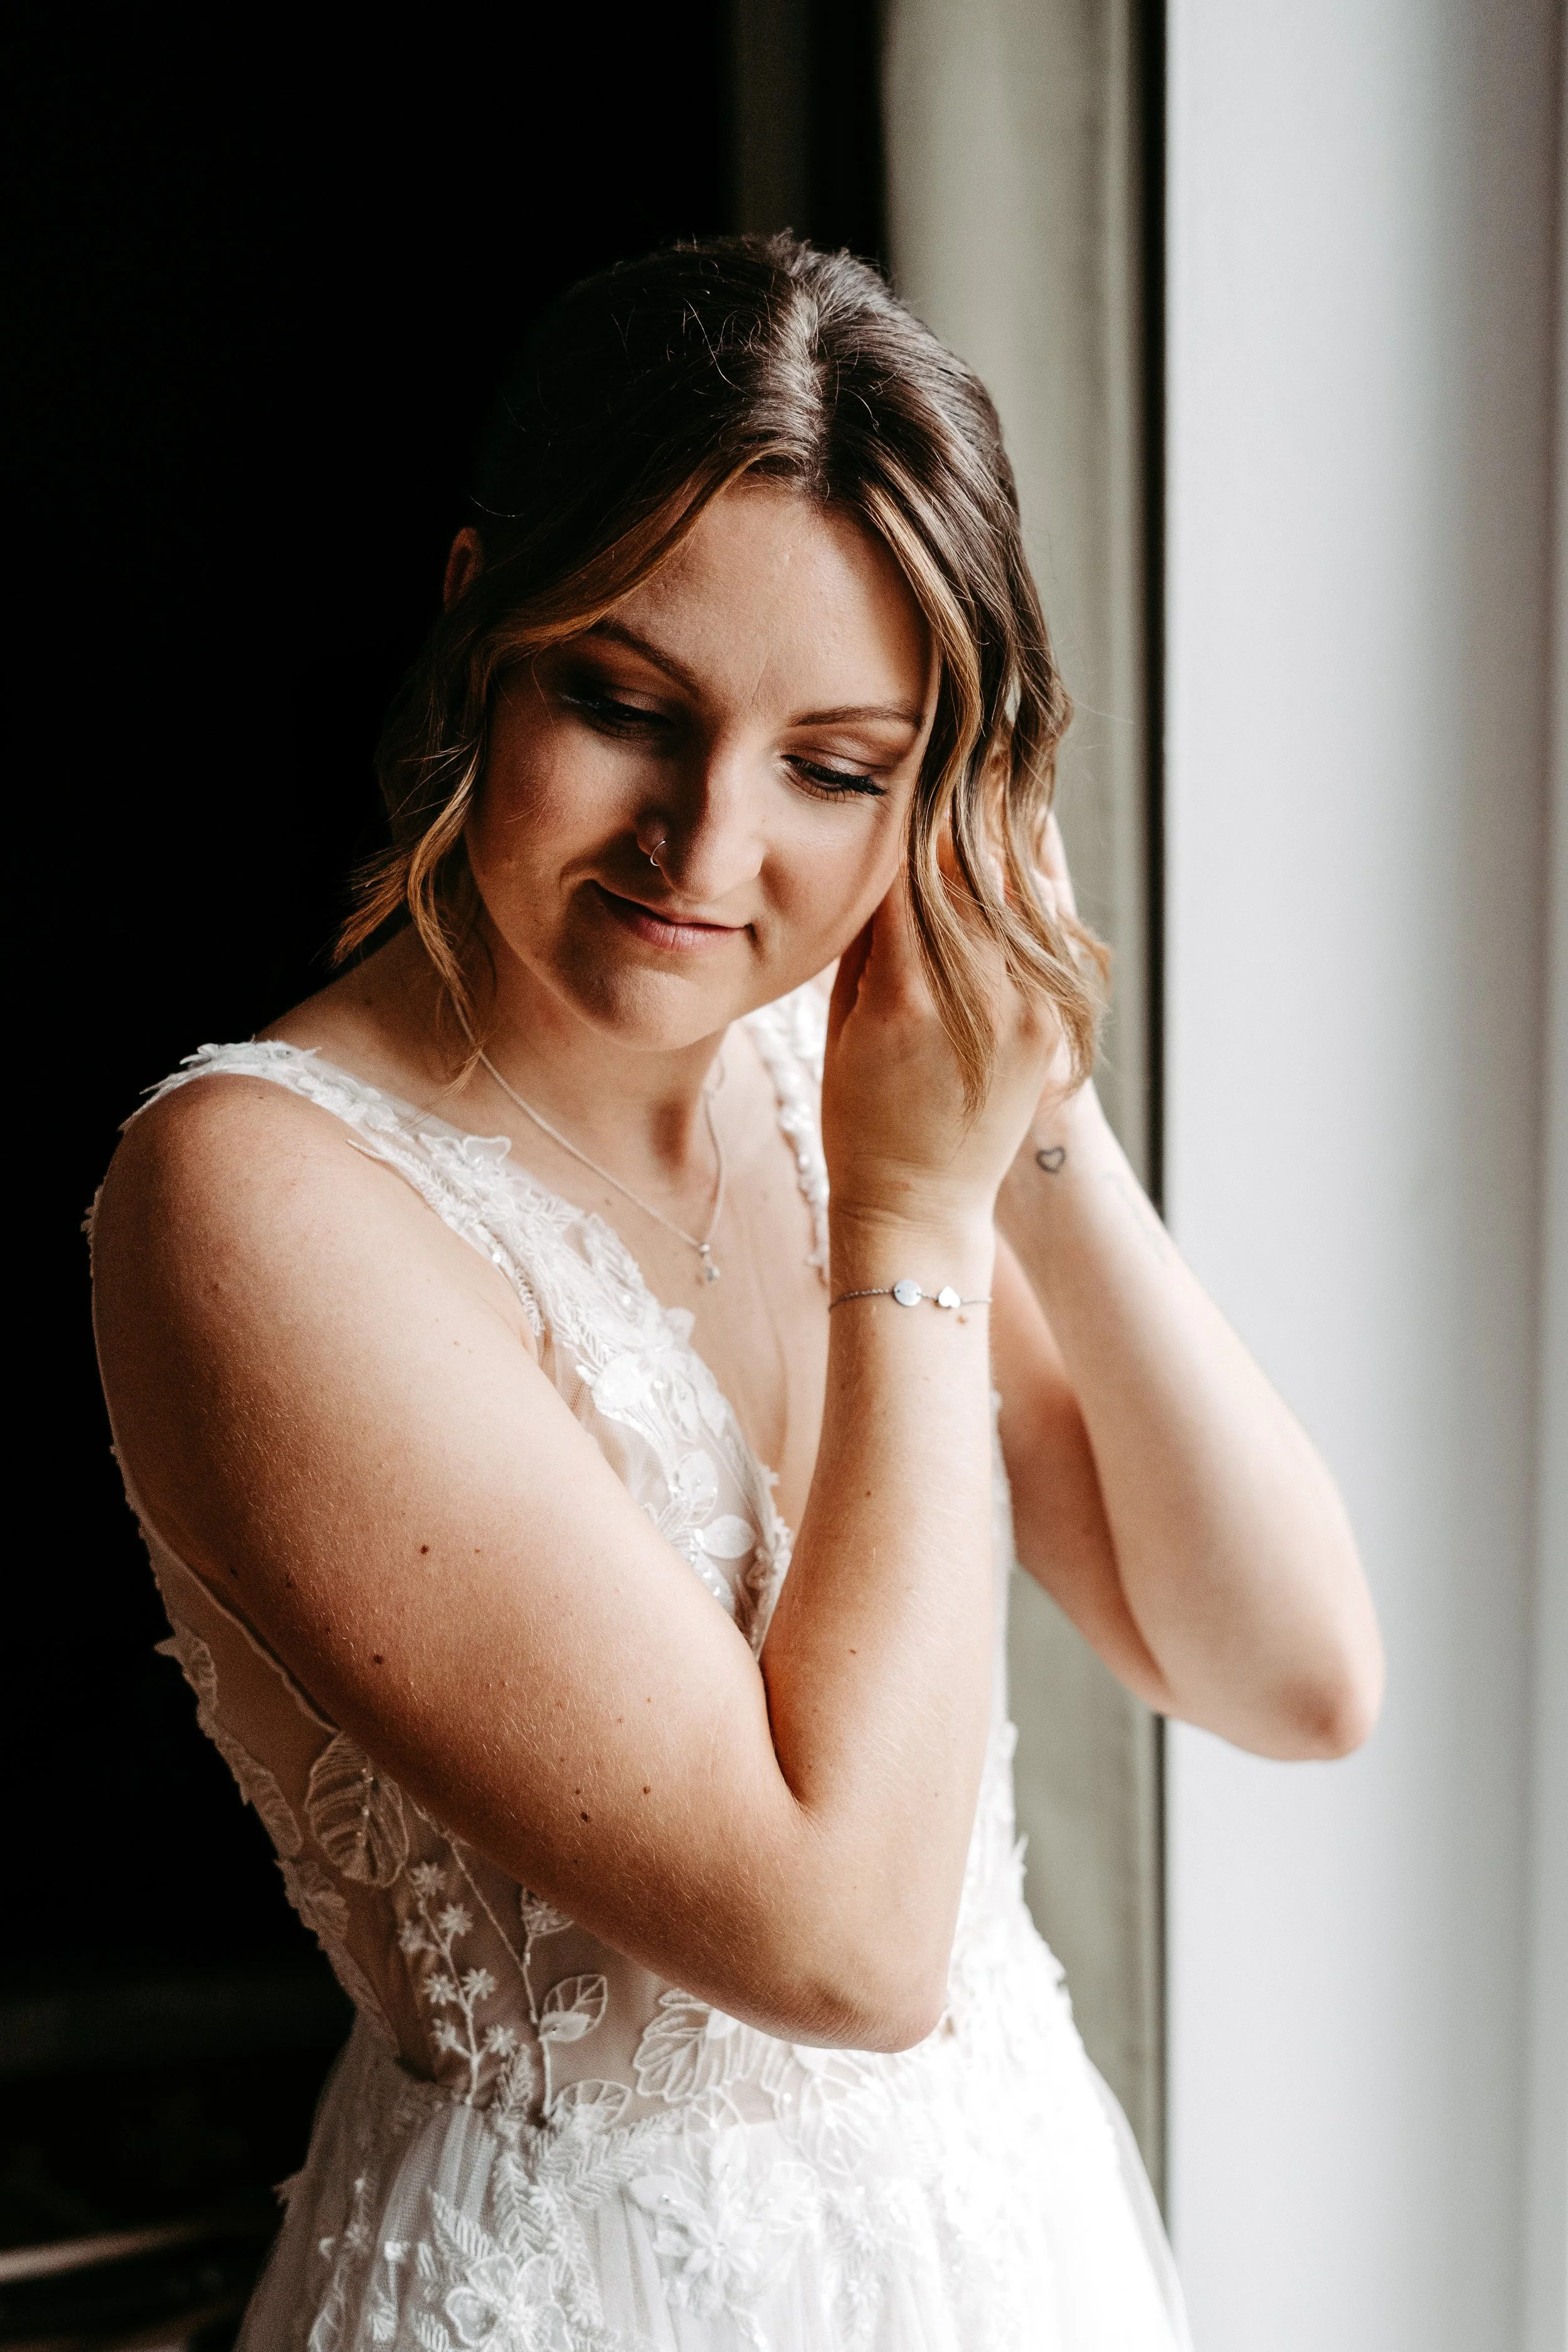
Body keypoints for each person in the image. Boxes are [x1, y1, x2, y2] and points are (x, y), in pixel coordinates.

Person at [90, 235, 1383, 2351]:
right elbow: (845, 1941)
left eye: (838, 767)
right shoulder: (256, 1198)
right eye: (622, 702)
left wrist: (1028, 1099)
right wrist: (906, 1220)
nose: (705, 848)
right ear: (475, 622)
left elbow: (1290, 1672)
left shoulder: (834, 1080)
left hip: (1003, 2247)